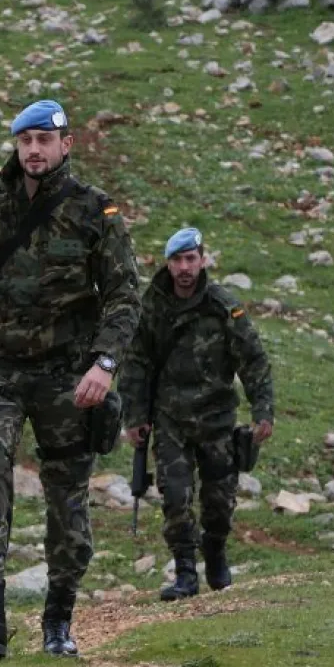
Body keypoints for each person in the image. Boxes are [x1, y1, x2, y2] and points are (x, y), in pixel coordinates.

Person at [0, 100, 141, 658]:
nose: (34, 150)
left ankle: (58, 620)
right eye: (25, 141)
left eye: (44, 139)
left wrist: (104, 365)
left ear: (67, 145)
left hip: (69, 374)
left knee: (67, 495)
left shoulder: (94, 212)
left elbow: (123, 297)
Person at [120, 227, 274, 601]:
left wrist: (263, 409)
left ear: (202, 260)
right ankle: (185, 571)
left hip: (217, 418)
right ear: (168, 264)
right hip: (170, 418)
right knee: (174, 495)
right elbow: (135, 363)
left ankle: (216, 555)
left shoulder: (222, 305)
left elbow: (252, 359)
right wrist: (134, 416)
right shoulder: (153, 306)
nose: (185, 267)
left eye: (191, 259)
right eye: (177, 260)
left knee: (219, 500)